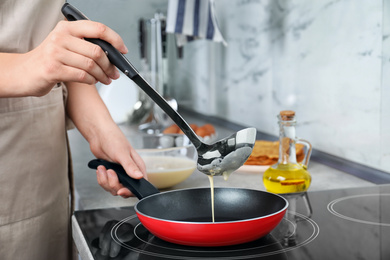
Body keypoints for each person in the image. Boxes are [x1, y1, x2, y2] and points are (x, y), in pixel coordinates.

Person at [0, 0, 146, 259]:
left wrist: (101, 129)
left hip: (46, 179)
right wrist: (29, 65)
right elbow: (42, 61)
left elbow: (58, 57)